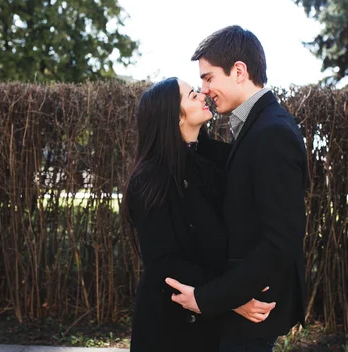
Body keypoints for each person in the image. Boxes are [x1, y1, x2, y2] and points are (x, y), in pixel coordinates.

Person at [166, 25, 308, 352]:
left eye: (209, 77)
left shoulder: (272, 133)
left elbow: (280, 240)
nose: (204, 89)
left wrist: (213, 298)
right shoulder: (256, 125)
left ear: (239, 71)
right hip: (243, 302)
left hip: (255, 310)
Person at [123, 77, 275, 352]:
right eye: (192, 95)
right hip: (169, 326)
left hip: (213, 323)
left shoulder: (219, 160)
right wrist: (229, 297)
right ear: (176, 117)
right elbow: (163, 262)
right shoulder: (149, 180)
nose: (203, 96)